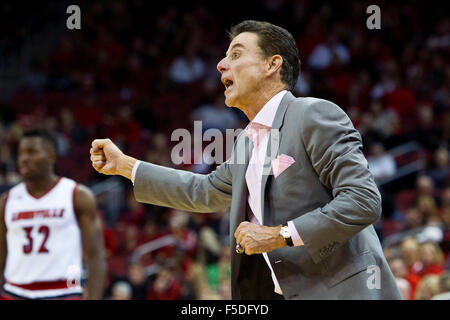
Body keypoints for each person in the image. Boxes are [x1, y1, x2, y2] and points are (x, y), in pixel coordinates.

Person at [90, 20, 401, 299]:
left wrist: (279, 234)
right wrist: (126, 166)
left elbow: (363, 200)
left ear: (272, 64)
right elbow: (206, 191)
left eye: (236, 54)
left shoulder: (312, 114)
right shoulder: (246, 142)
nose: (221, 64)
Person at [0, 129, 106, 299]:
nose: (23, 159)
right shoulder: (7, 201)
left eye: (31, 152)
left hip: (63, 291)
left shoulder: (77, 195)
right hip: (14, 292)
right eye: (20, 153)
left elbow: (96, 256)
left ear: (51, 156)